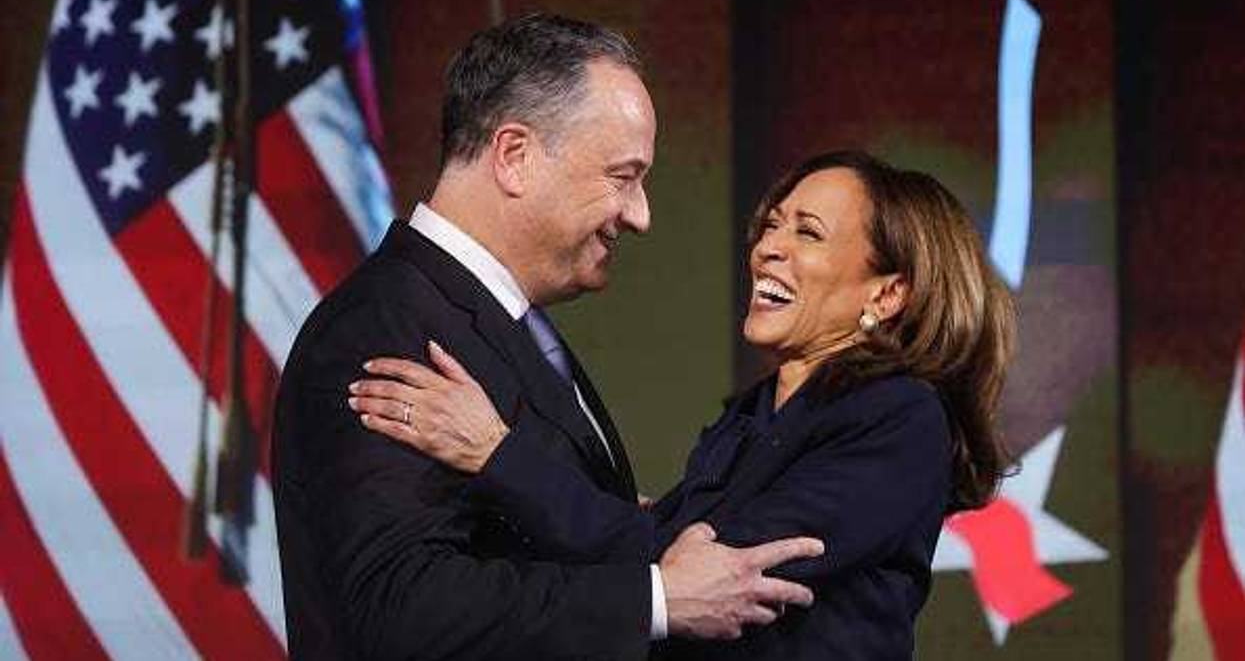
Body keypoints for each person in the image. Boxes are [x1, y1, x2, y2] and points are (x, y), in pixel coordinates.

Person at [272, 14, 823, 661]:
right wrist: (655, 600)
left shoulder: (493, 321)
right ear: (514, 156)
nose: (640, 215)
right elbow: (398, 610)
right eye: (622, 176)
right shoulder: (387, 326)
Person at [347, 150, 1018, 659]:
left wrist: (498, 455)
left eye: (808, 233)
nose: (768, 248)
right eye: (772, 224)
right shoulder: (752, 415)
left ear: (887, 293)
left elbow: (712, 575)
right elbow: (664, 558)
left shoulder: (898, 417)